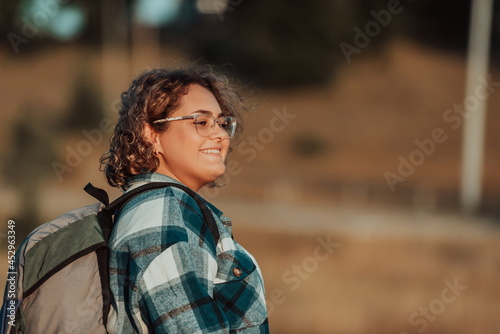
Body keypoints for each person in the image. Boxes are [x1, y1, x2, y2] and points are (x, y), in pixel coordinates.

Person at [100, 67, 269, 333]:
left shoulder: (169, 207)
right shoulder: (163, 212)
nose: (221, 135)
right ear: (151, 134)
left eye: (223, 123)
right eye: (201, 122)